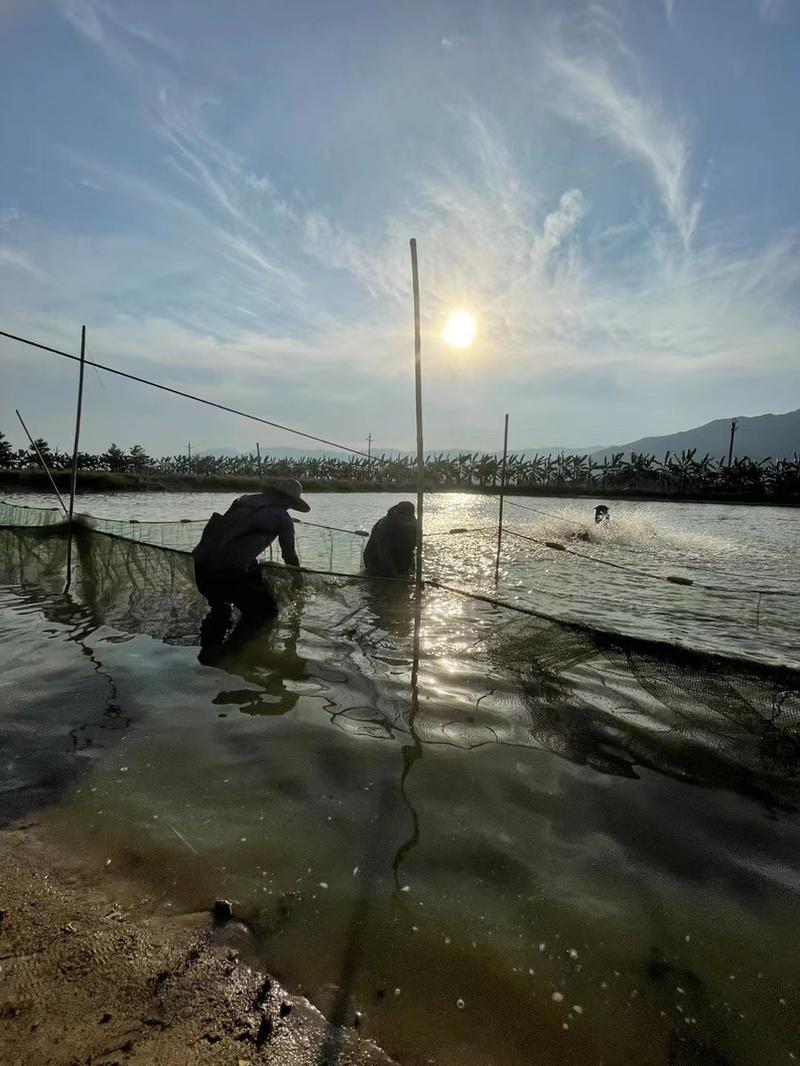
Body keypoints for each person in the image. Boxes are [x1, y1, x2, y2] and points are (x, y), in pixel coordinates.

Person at [192, 478, 309, 620]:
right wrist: (298, 580)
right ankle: (241, 641)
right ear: (289, 501)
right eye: (291, 503)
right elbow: (289, 555)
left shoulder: (243, 501)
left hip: (201, 565)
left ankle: (212, 638)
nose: (289, 506)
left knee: (220, 610)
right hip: (228, 572)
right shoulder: (282, 517)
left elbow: (231, 538)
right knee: (267, 614)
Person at [363, 501, 417, 579]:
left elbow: (411, 549)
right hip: (375, 558)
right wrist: (394, 573)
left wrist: (409, 571)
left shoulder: (413, 524)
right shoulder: (385, 525)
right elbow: (384, 552)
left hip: (397, 557)